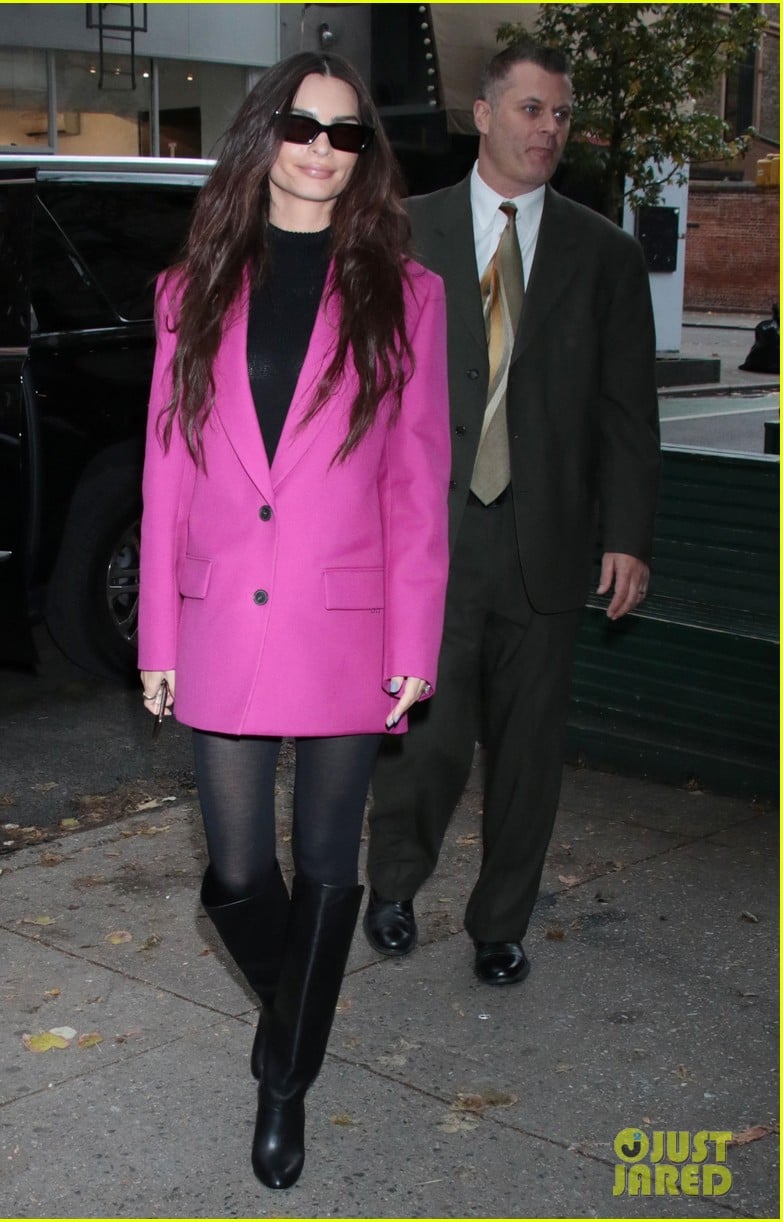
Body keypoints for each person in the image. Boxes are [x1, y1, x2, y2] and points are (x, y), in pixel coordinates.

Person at [137, 51, 450, 1190]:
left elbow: (417, 485)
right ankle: (300, 1022)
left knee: (324, 861)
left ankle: (282, 1087)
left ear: (363, 157)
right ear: (264, 133)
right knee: (233, 874)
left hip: (344, 623)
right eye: (304, 127)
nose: (323, 150)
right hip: (219, 616)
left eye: (347, 135)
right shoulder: (191, 287)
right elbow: (167, 472)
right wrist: (158, 640)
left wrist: (412, 644)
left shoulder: (403, 293)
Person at [363, 40, 661, 987]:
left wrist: (627, 536)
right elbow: (365, 392)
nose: (548, 129)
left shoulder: (602, 252)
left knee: (529, 755)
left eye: (560, 115)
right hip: (429, 539)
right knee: (426, 739)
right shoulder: (405, 235)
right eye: (530, 110)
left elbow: (626, 410)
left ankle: (500, 923)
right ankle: (394, 885)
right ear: (482, 114)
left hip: (544, 543)